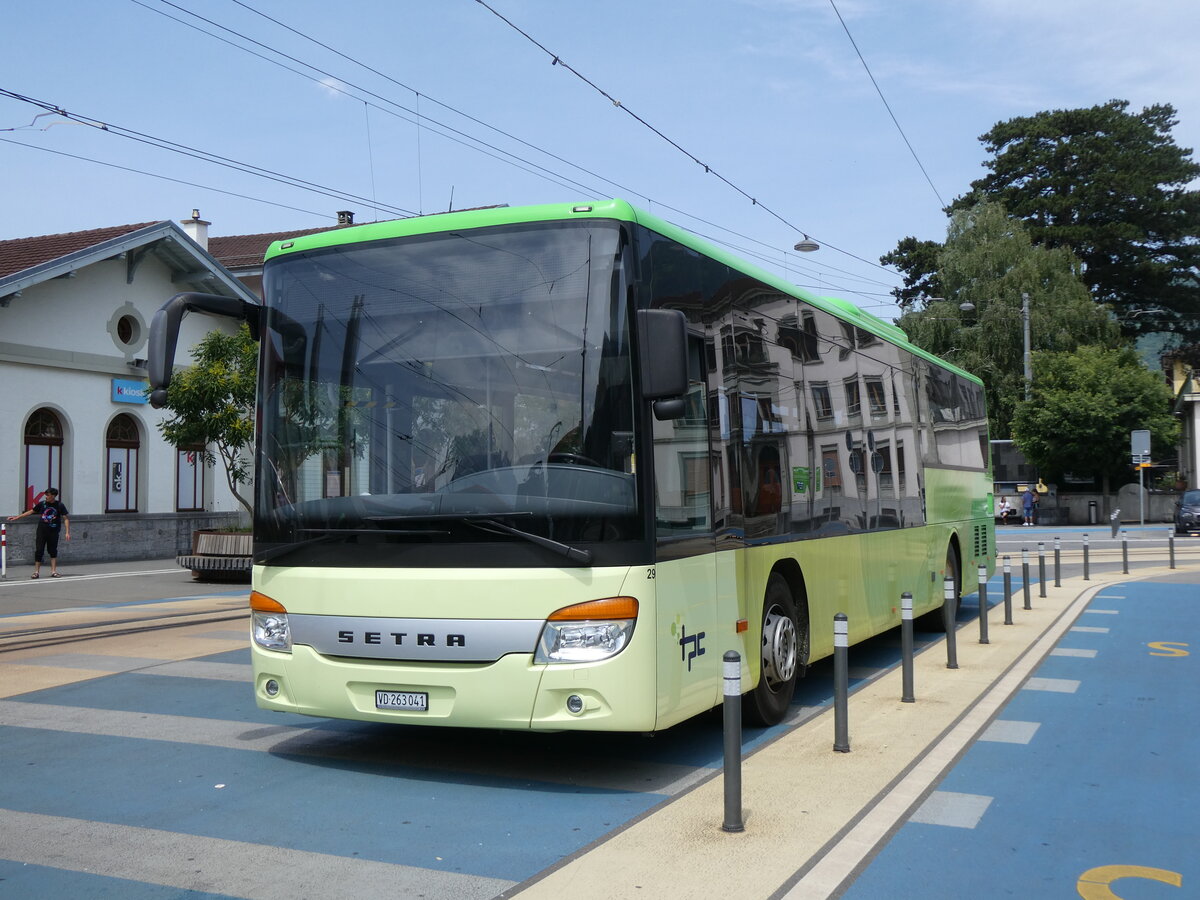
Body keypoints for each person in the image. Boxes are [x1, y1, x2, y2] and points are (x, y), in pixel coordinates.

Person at [7, 488, 71, 578]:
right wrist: (17, 517)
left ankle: (53, 571)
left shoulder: (59, 505)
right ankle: (36, 572)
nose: (46, 496)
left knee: (53, 551)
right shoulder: (42, 504)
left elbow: (66, 519)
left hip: (53, 532)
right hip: (42, 531)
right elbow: (31, 511)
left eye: (48, 495)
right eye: (46, 494)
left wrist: (67, 532)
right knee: (39, 550)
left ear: (53, 496)